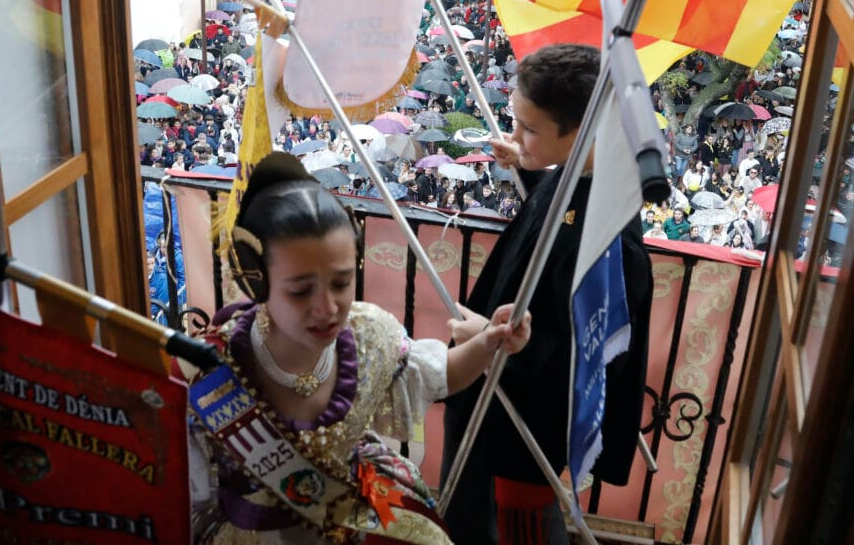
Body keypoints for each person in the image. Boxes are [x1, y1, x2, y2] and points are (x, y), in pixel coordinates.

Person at [185, 152, 531, 543]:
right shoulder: (214, 366)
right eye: (300, 291)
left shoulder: (369, 334)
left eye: (341, 283)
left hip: (354, 513)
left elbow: (441, 374)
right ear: (256, 280)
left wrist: (488, 342)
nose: (327, 308)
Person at [441, 44, 653, 545]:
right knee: (466, 514)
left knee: (511, 529)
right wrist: (529, 162)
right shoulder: (578, 173)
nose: (515, 136)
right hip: (489, 396)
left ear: (581, 133)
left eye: (529, 128)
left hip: (521, 423)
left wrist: (492, 340)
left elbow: (590, 361)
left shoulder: (610, 240)